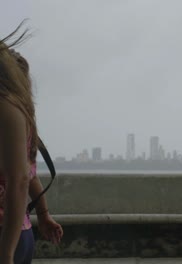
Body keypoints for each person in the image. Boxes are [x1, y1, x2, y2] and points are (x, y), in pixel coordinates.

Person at [0, 24, 63, 264]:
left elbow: (20, 181)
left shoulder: (7, 110)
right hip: (19, 233)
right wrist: (44, 215)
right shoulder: (22, 116)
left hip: (6, 236)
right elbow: (30, 175)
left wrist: (5, 254)